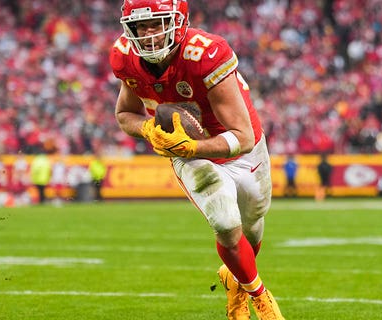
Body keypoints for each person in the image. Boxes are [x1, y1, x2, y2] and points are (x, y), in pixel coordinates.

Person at [109, 1, 284, 319]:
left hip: (240, 148)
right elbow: (124, 114)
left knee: (252, 230)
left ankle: (234, 279)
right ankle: (259, 296)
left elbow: (242, 137)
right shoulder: (124, 57)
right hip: (186, 152)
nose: (148, 35)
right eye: (141, 27)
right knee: (225, 224)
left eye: (157, 24)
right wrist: (149, 129)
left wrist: (192, 147)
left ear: (178, 22)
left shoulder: (205, 53)